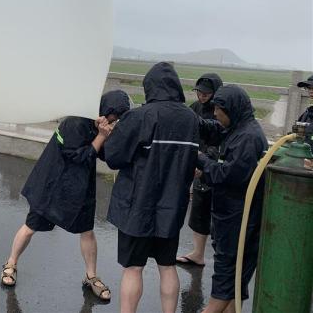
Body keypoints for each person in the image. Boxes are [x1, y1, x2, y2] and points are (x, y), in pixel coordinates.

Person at [0, 90, 131, 302]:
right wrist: (101, 136)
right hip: (53, 183)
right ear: (108, 111)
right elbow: (78, 158)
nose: (117, 121)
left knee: (87, 231)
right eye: (117, 116)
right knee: (30, 226)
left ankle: (91, 276)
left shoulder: (99, 125)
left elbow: (105, 155)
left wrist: (108, 137)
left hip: (79, 187)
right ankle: (10, 263)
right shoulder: (75, 123)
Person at [103, 62, 199, 313]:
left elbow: (114, 157)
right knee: (167, 266)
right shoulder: (190, 118)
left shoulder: (140, 116)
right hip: (172, 207)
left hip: (138, 206)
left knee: (134, 268)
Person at [197, 85, 268, 313]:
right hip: (230, 218)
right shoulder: (239, 129)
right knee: (233, 286)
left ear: (233, 109)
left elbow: (229, 175)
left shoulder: (248, 138)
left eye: (220, 109)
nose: (215, 113)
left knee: (225, 279)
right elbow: (213, 129)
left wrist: (200, 161)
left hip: (239, 222)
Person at [177, 73, 223, 267]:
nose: (202, 96)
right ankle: (198, 253)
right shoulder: (195, 108)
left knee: (217, 214)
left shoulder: (220, 110)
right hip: (198, 161)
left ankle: (222, 258)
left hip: (215, 165)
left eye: (206, 93)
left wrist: (204, 163)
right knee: (198, 209)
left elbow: (220, 141)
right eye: (199, 92)